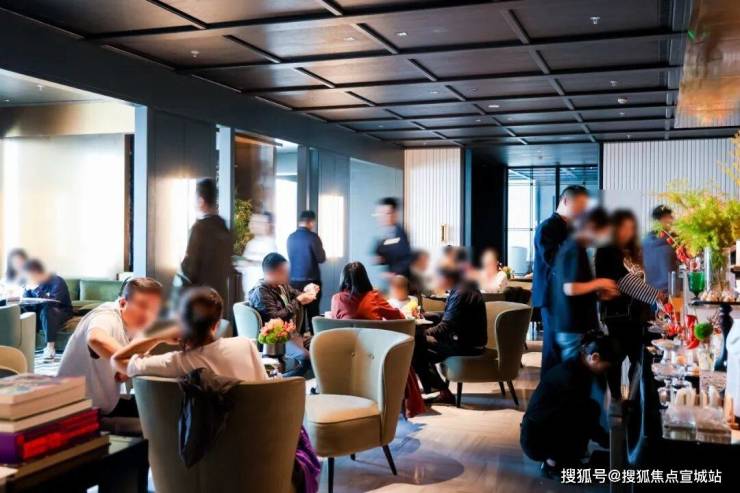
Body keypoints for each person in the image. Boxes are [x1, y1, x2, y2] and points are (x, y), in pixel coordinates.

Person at [57, 277, 163, 416]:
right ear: (123, 303)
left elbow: (125, 370)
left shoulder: (134, 326)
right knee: (158, 416)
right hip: (75, 412)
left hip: (101, 405)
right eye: (142, 306)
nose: (148, 315)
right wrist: (130, 363)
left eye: (154, 310)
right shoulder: (106, 316)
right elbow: (96, 339)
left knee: (162, 408)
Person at [111, 287, 266, 382]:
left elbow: (117, 360)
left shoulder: (176, 363)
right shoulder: (245, 345)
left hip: (205, 429)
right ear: (216, 324)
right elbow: (266, 390)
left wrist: (158, 337)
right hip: (258, 427)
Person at [520, 332, 615, 478]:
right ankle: (553, 465)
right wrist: (611, 443)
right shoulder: (572, 378)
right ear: (595, 357)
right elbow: (583, 420)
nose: (606, 371)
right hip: (535, 441)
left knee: (590, 408)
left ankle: (566, 457)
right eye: (606, 367)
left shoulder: (579, 365)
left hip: (540, 430)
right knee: (583, 415)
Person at [596, 210, 664, 399]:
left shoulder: (633, 251)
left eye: (631, 227)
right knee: (615, 359)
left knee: (638, 360)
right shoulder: (607, 250)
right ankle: (616, 400)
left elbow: (642, 278)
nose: (628, 231)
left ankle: (633, 399)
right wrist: (655, 295)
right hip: (617, 315)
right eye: (623, 227)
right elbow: (622, 280)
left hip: (638, 315)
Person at [532, 185, 590, 375]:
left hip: (566, 298)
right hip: (552, 298)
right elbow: (554, 261)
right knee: (553, 352)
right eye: (580, 206)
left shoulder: (571, 228)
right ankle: (549, 390)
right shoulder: (547, 227)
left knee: (566, 353)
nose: (583, 211)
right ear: (566, 201)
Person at [551, 207, 619, 361]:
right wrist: (600, 282)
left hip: (574, 325)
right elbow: (570, 288)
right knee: (574, 371)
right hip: (572, 325)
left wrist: (599, 294)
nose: (601, 238)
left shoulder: (577, 248)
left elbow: (579, 286)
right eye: (602, 233)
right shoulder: (574, 249)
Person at [413, 265, 487, 404]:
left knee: (415, 343)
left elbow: (446, 327)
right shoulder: (463, 287)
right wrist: (427, 315)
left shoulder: (461, 292)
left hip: (466, 345)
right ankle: (437, 390)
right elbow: (453, 316)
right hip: (468, 340)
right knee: (418, 344)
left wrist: (421, 333)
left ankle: (440, 391)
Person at [248, 253, 316, 378]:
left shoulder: (281, 285)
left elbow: (298, 294)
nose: (287, 274)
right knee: (307, 357)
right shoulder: (261, 292)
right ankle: (281, 381)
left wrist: (309, 291)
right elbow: (275, 318)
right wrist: (298, 301)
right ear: (271, 273)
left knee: (320, 344)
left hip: (292, 334)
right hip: (276, 340)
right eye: (283, 272)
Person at [180, 178, 233, 306]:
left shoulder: (199, 229)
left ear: (201, 201)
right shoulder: (225, 228)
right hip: (220, 297)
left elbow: (189, 269)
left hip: (200, 299)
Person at [22, 259, 73, 361]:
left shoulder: (57, 281)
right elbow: (29, 305)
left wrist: (36, 289)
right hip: (41, 312)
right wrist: (26, 291)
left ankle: (50, 347)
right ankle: (19, 345)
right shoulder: (33, 283)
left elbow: (53, 302)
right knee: (20, 310)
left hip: (60, 311)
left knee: (48, 310)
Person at [287, 210, 326, 333]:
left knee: (298, 313)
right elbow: (321, 258)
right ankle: (315, 339)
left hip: (293, 282)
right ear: (311, 222)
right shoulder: (313, 237)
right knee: (313, 313)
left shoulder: (291, 238)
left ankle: (300, 337)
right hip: (311, 281)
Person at [330, 262, 404, 321]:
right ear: (364, 279)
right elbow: (399, 318)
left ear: (344, 279)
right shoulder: (375, 297)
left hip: (345, 336)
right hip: (374, 336)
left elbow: (334, 323)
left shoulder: (337, 299)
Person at [373, 197, 412, 278]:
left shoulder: (400, 233)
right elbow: (388, 255)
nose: (382, 217)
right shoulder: (386, 233)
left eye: (387, 213)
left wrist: (395, 274)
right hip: (392, 279)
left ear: (395, 214)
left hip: (401, 280)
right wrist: (380, 259)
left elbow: (407, 258)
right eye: (380, 214)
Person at [643, 205, 678, 292]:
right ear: (662, 219)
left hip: (650, 291)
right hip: (669, 290)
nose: (672, 220)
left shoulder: (645, 241)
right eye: (670, 217)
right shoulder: (672, 240)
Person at [242, 212, 278, 294]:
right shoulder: (250, 244)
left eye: (256, 223)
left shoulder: (270, 244)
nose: (252, 225)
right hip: (250, 290)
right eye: (252, 223)